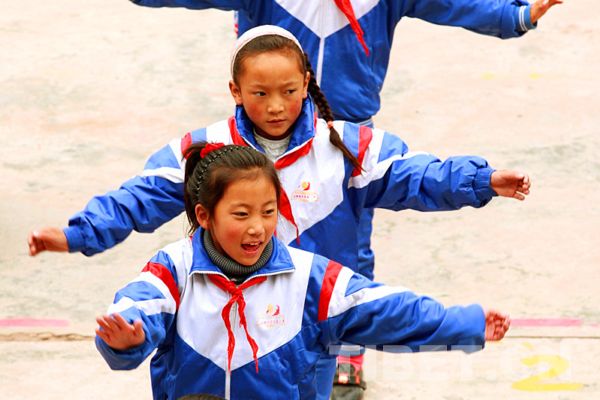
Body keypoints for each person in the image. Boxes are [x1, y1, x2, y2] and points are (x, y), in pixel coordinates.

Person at [29, 26, 530, 399]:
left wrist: (479, 181)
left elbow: (417, 177)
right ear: (235, 92)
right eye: (259, 93)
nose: (275, 106)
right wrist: (78, 235)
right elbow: (138, 198)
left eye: (290, 92)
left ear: (307, 81)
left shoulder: (345, 146)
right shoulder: (202, 158)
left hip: (304, 324)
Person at [95, 141, 511, 400]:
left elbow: (388, 311)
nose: (257, 227)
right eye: (241, 214)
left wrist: (465, 323)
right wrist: (127, 339)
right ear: (204, 215)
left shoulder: (309, 279)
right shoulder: (173, 270)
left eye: (269, 212)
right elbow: (138, 307)